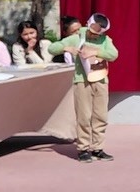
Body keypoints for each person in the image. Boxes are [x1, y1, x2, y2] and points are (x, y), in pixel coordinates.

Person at [47, 12, 118, 163]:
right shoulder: (77, 37)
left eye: (98, 32)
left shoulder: (105, 40)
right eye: (92, 31)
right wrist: (67, 48)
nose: (94, 35)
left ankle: (97, 148)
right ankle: (83, 149)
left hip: (101, 79)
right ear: (88, 24)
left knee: (100, 115)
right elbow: (52, 48)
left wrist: (97, 51)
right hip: (82, 80)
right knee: (84, 115)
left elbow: (113, 54)